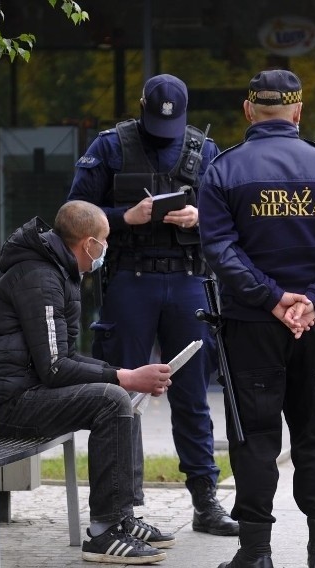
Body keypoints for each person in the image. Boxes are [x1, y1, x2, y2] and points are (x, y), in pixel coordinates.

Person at [198, 69, 315, 568]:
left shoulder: (223, 171)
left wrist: (272, 299)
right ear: (297, 112)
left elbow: (220, 251)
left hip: (250, 325)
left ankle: (255, 554)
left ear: (249, 110)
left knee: (253, 436)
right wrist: (313, 300)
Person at [0, 200, 174, 565]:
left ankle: (122, 517)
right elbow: (55, 367)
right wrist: (123, 376)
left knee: (121, 394)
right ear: (88, 243)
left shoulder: (58, 272)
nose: (107, 248)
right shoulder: (40, 277)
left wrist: (125, 378)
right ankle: (104, 534)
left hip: (18, 392)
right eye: (104, 241)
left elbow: (63, 359)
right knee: (113, 398)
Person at [66, 74, 238, 537]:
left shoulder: (205, 151)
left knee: (192, 397)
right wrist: (125, 217)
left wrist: (201, 216)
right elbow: (73, 213)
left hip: (187, 281)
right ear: (142, 107)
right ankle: (122, 509)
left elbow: (231, 218)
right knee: (120, 396)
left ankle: (205, 502)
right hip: (129, 281)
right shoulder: (110, 146)